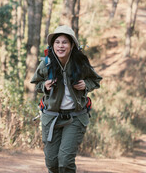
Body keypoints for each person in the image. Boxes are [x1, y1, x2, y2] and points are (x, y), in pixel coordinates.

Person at [30, 25, 102, 173]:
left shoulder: (80, 63)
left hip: (75, 118)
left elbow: (95, 80)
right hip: (52, 118)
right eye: (57, 42)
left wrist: (85, 85)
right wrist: (45, 86)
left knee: (65, 161)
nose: (60, 46)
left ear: (71, 45)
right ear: (53, 45)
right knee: (52, 163)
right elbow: (36, 84)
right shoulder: (47, 63)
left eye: (64, 42)